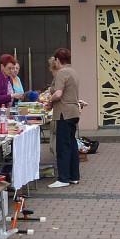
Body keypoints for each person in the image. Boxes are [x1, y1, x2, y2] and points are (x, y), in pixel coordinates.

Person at [45, 48, 86, 188]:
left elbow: (58, 93)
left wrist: (49, 101)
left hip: (64, 113)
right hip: (74, 112)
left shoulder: (62, 72)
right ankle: (74, 176)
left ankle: (63, 178)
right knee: (72, 144)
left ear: (57, 60)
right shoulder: (73, 72)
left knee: (62, 146)